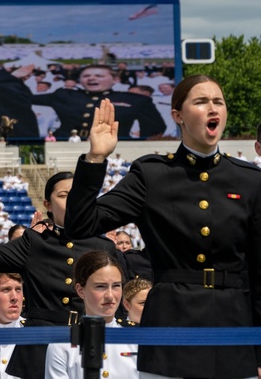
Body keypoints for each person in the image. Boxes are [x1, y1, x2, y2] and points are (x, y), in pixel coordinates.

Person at [65, 75, 261, 378]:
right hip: (171, 323)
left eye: (218, 102)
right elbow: (81, 224)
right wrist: (95, 158)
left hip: (234, 327)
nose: (213, 108)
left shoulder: (249, 179)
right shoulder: (151, 174)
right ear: (178, 116)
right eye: (201, 101)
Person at [0, 166, 117, 379]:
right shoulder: (33, 243)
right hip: (40, 344)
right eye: (63, 195)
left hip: (89, 341)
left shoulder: (103, 246)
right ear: (48, 205)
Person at [45, 251, 138, 379]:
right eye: (100, 286)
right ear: (80, 290)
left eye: (116, 286)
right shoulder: (61, 345)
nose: (110, 296)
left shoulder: (137, 338)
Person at [33, 65, 166, 140]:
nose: (91, 78)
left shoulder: (135, 100)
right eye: (86, 76)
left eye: (99, 76)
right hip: (66, 143)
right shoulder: (64, 95)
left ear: (116, 79)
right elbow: (25, 99)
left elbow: (155, 128)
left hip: (113, 148)